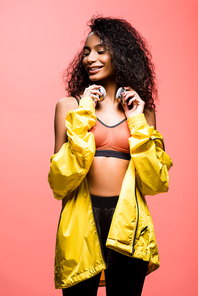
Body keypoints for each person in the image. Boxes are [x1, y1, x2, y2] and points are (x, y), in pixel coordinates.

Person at [48, 16, 173, 296]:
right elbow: (59, 182)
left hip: (129, 223)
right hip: (80, 222)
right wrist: (83, 117)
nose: (90, 58)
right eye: (86, 52)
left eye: (100, 51)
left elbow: (154, 182)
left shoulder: (143, 112)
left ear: (122, 54)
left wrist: (137, 122)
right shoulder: (69, 107)